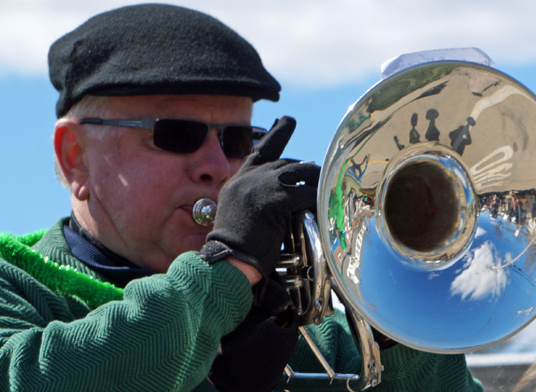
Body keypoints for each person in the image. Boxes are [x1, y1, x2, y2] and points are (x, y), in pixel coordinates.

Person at [0, 4, 483, 391]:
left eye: (237, 141)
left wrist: (393, 315)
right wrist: (228, 268)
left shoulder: (316, 336)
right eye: (178, 134)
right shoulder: (16, 287)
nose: (217, 165)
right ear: (76, 157)